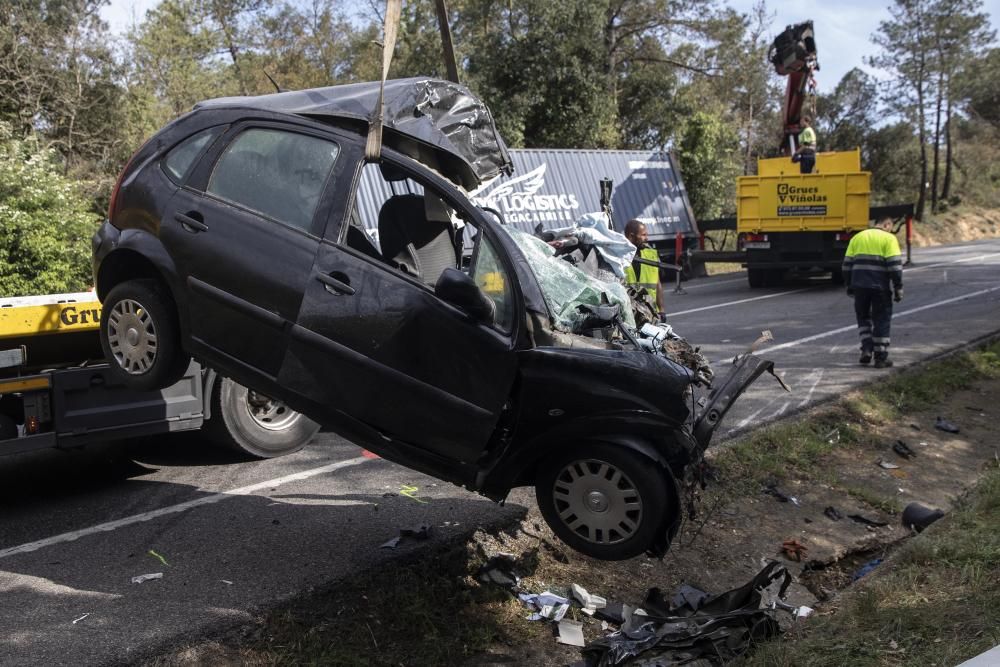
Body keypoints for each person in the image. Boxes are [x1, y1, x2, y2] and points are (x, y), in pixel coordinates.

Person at [842, 218, 904, 368]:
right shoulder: (889, 238)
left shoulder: (857, 237)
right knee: (882, 319)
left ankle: (867, 349)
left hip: (859, 287)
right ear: (887, 225)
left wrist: (849, 285)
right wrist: (898, 286)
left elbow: (846, 265)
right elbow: (895, 266)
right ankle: (880, 358)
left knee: (863, 318)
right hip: (880, 287)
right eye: (891, 227)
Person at [624, 219, 666, 320]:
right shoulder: (619, 256)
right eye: (643, 235)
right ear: (631, 236)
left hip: (651, 311)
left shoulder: (651, 254)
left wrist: (661, 310)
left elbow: (657, 284)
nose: (647, 238)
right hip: (629, 312)